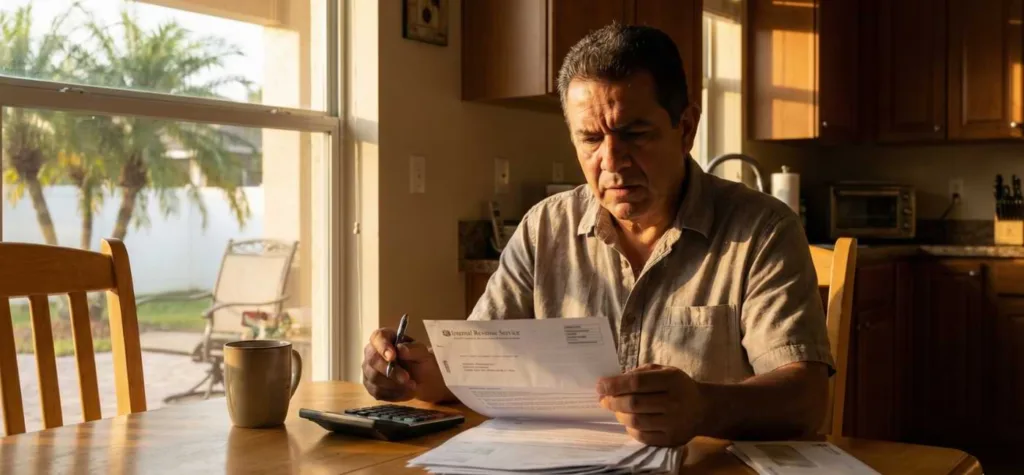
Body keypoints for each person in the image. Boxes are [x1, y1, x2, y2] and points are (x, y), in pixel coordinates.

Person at [361, 23, 833, 447]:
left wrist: (705, 407)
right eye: (590, 139)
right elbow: (483, 371)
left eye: (635, 133)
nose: (611, 160)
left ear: (685, 128)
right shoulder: (544, 228)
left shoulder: (762, 230)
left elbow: (806, 399)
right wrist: (414, 375)